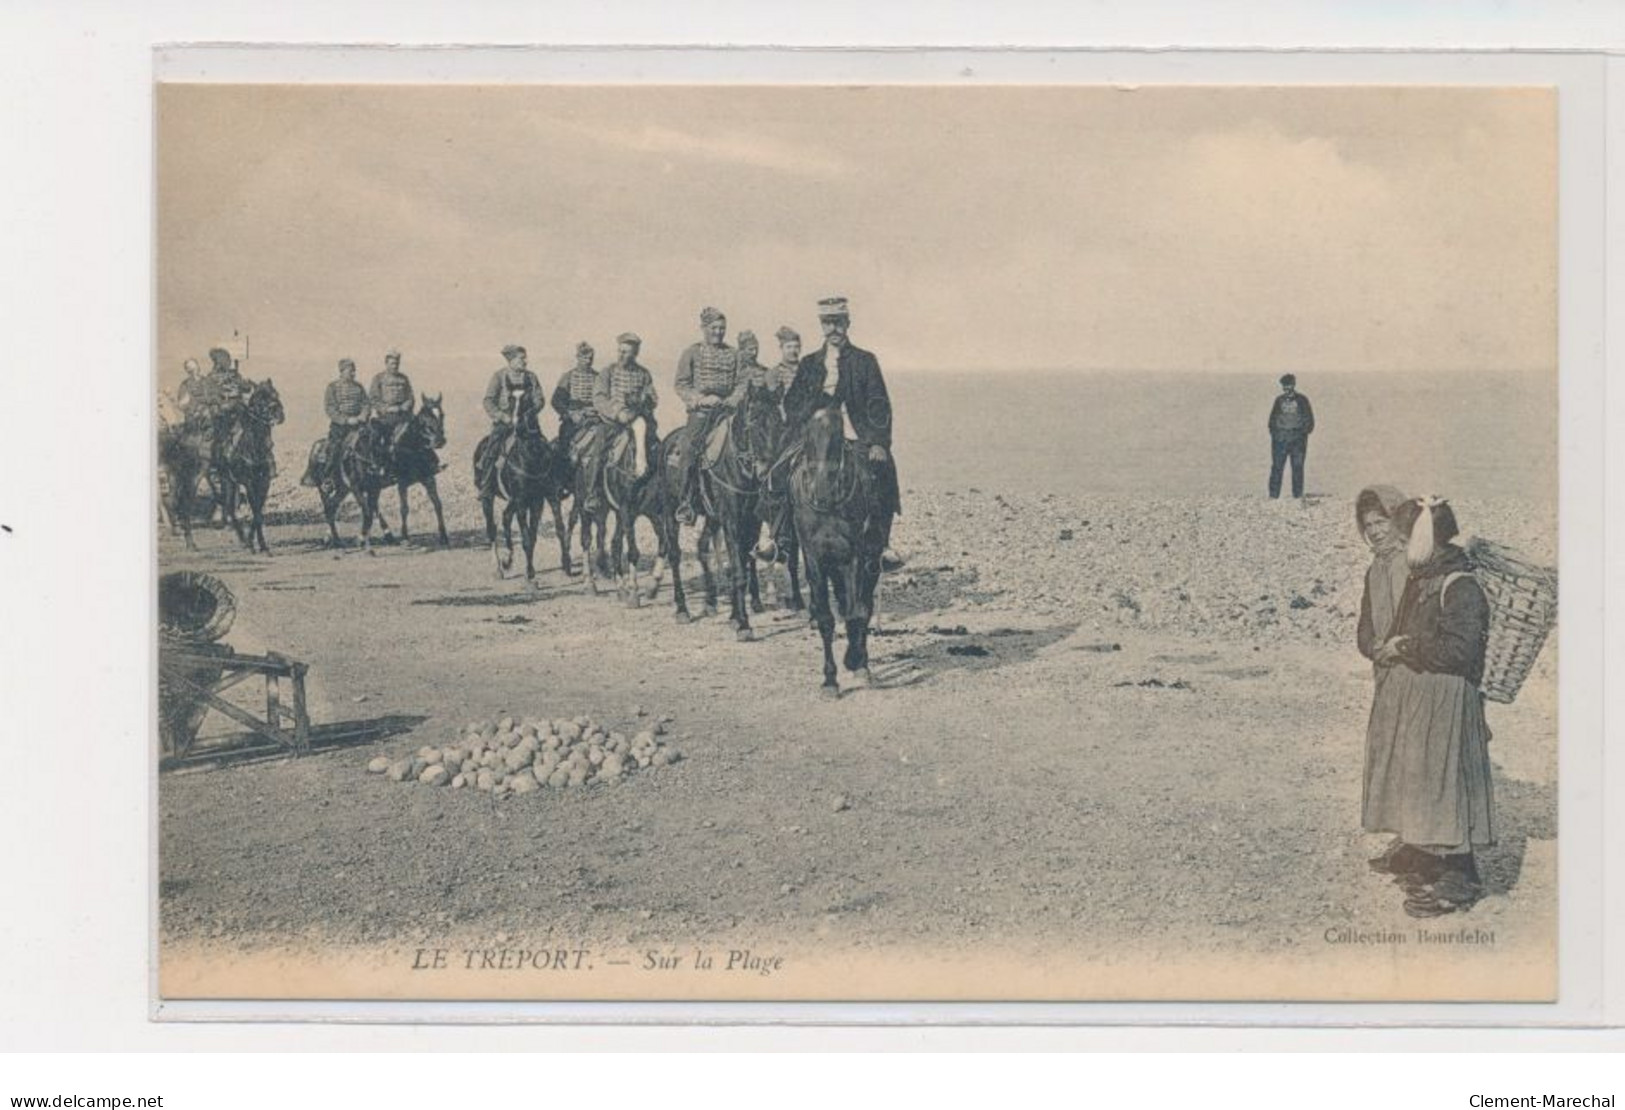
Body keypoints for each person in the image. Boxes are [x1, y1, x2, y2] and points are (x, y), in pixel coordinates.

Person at [1368, 496, 1495, 918]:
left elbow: (1460, 652)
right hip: (1427, 696)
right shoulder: (1426, 579)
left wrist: (1407, 646)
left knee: (1447, 785)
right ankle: (1424, 855)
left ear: (1423, 541)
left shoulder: (1460, 585)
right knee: (1423, 780)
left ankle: (1460, 878)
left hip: (1450, 699)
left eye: (1405, 539)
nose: (1401, 547)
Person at [783, 296, 904, 570]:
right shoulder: (810, 363)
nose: (833, 328)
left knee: (883, 472)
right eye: (828, 322)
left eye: (838, 322)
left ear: (847, 323)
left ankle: (882, 543)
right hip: (813, 438)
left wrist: (878, 442)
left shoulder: (865, 361)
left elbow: (879, 403)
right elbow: (791, 404)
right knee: (778, 471)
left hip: (854, 434)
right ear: (821, 326)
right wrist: (810, 410)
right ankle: (779, 537)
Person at [1354, 485, 1417, 872]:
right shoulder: (1374, 568)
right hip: (1387, 676)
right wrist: (1371, 646)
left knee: (1417, 759)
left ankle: (1424, 844)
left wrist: (1400, 646)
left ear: (1399, 520)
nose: (1375, 531)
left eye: (1382, 521)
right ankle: (1407, 841)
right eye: (1368, 524)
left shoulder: (1414, 564)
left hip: (1416, 675)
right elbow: (1365, 622)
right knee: (1392, 758)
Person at [673, 306, 749, 524]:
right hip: (702, 413)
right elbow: (681, 384)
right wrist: (701, 399)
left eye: (722, 328)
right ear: (703, 328)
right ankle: (686, 501)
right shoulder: (692, 352)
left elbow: (742, 382)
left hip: (729, 411)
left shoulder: (734, 354)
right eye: (714, 328)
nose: (718, 332)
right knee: (689, 448)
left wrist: (732, 400)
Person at [479, 344, 545, 497]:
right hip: (504, 423)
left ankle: (548, 485)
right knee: (492, 450)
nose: (525, 361)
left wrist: (531, 412)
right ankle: (486, 486)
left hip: (527, 423)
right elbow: (488, 401)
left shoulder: (531, 377)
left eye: (524, 358)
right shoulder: (498, 376)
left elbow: (539, 398)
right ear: (511, 360)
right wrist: (502, 416)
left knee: (543, 447)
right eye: (521, 358)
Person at [593, 332, 660, 468]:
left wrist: (645, 401)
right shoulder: (608, 372)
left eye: (626, 352)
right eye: (620, 351)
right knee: (598, 453)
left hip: (637, 418)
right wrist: (617, 414)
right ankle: (592, 488)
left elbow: (653, 399)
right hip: (611, 421)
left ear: (635, 354)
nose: (621, 355)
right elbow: (599, 398)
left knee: (657, 451)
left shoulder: (644, 374)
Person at [303, 358, 370, 487]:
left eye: (353, 370)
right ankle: (329, 478)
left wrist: (363, 416)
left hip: (359, 425)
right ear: (342, 371)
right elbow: (330, 409)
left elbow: (366, 403)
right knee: (335, 449)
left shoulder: (359, 387)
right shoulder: (332, 387)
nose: (353, 373)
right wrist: (346, 420)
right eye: (350, 370)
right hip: (340, 427)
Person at [1267, 373, 1315, 499]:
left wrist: (1302, 433)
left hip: (1297, 440)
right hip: (1280, 440)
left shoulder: (1302, 400)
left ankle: (1297, 496)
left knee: (1297, 467)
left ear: (1294, 385)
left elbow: (1309, 419)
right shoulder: (1279, 400)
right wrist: (1275, 434)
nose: (1287, 388)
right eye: (1284, 386)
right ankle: (1273, 496)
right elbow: (1272, 420)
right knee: (1277, 467)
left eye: (1289, 385)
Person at [552, 341, 602, 461]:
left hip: (595, 417)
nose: (588, 361)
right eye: (584, 357)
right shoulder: (568, 376)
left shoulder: (599, 377)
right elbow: (556, 400)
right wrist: (570, 413)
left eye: (590, 358)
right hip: (574, 418)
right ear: (578, 357)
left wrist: (599, 411)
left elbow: (604, 400)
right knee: (564, 441)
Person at [368, 348, 416, 458]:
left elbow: (410, 396)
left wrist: (406, 405)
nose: (395, 366)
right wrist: (387, 408)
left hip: (404, 415)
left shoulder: (404, 378)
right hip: (386, 417)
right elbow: (373, 399)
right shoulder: (378, 378)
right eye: (392, 363)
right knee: (380, 440)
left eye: (397, 363)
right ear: (386, 363)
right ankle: (381, 463)